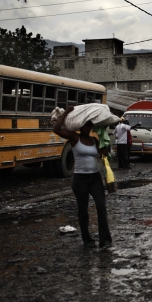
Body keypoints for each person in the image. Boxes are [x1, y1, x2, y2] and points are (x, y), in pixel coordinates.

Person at [53, 106, 112, 248]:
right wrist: (66, 112)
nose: (87, 128)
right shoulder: (74, 137)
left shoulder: (94, 141)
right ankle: (87, 240)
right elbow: (56, 129)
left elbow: (104, 155)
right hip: (80, 179)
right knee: (83, 211)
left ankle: (105, 240)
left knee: (101, 207)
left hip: (95, 178)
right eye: (85, 125)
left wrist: (105, 139)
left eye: (89, 126)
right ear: (80, 126)